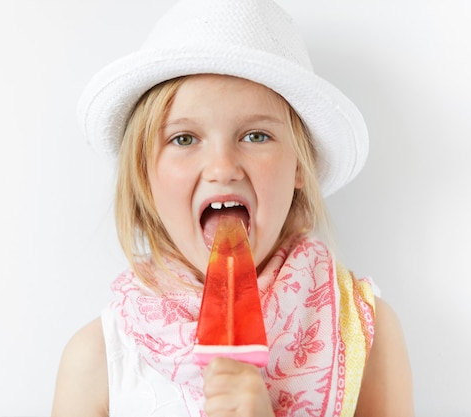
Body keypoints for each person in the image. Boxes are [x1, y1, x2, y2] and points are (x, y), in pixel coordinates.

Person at [52, 0, 414, 415]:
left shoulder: (365, 331)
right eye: (184, 139)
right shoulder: (96, 361)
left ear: (301, 165)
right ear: (144, 176)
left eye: (256, 135)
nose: (222, 168)